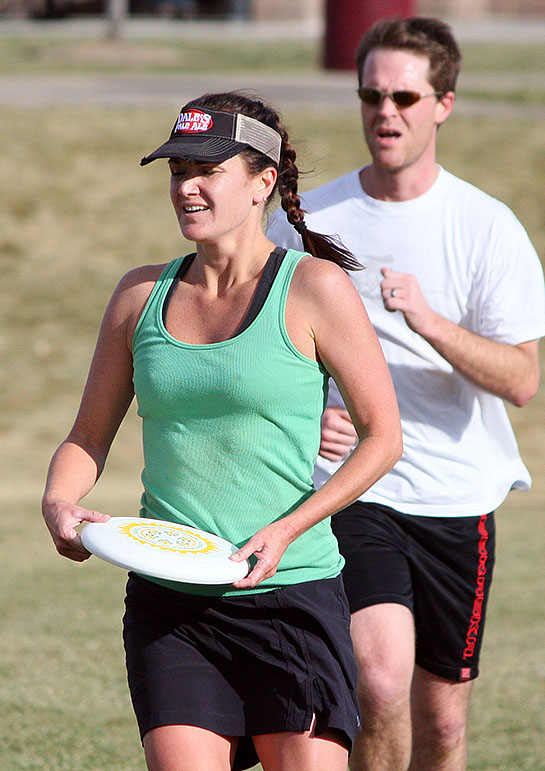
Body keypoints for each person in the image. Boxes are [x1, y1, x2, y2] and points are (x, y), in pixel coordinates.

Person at [41, 91, 402, 771]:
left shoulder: (314, 288)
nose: (188, 186)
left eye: (208, 170)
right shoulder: (138, 297)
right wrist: (59, 501)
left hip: (289, 593)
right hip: (171, 604)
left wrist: (289, 528)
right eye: (178, 170)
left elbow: (383, 436)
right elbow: (87, 438)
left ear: (263, 181)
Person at [267, 16, 545, 771]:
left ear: (443, 105)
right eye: (371, 95)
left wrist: (428, 321)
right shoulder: (305, 222)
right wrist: (305, 415)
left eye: (404, 97)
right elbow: (262, 351)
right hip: (356, 490)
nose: (385, 112)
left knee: (443, 724)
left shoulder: (487, 227)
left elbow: (522, 379)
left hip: (457, 496)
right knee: (379, 681)